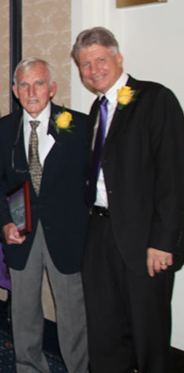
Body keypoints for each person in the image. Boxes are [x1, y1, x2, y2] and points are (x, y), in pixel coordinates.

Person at [71, 26, 184, 372]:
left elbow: (174, 175)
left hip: (146, 242)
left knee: (148, 336)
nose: (93, 71)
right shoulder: (95, 111)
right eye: (86, 65)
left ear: (118, 58)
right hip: (101, 235)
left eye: (100, 60)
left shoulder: (155, 99)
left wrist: (163, 242)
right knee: (105, 331)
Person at [0, 57, 89, 373]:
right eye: (24, 85)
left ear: (52, 88)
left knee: (73, 313)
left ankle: (79, 368)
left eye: (39, 83)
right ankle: (29, 366)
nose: (32, 92)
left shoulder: (79, 125)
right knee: (24, 310)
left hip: (67, 234)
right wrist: (4, 224)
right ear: (15, 90)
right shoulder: (3, 130)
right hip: (20, 233)